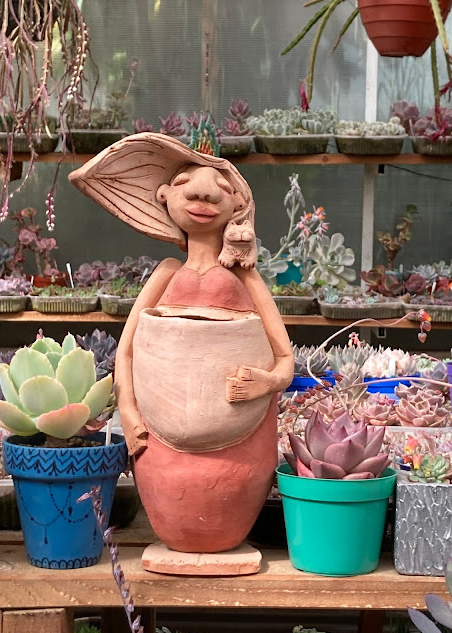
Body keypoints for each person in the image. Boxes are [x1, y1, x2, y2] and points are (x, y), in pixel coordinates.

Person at [69, 133, 294, 553]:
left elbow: (285, 359)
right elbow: (127, 349)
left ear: (237, 205)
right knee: (173, 496)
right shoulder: (167, 272)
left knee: (228, 490)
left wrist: (264, 383)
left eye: (221, 187)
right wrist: (129, 412)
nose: (203, 194)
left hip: (241, 435)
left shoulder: (245, 276)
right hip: (160, 434)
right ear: (164, 197)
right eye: (186, 181)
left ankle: (225, 539)